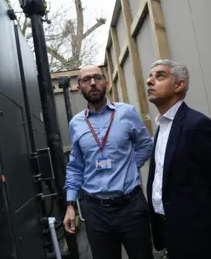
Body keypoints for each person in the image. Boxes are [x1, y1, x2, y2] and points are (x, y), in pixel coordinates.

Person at [146, 59, 211, 259]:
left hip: (201, 242)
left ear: (180, 85)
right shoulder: (162, 126)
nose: (149, 81)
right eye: (150, 76)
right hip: (171, 236)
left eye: (159, 75)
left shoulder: (196, 125)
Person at [63, 65, 154, 259]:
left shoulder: (127, 113)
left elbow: (146, 145)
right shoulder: (76, 124)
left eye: (97, 78)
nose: (93, 83)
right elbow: (75, 166)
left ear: (106, 82)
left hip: (131, 206)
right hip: (96, 212)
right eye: (86, 80)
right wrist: (70, 205)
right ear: (79, 87)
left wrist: (129, 166)